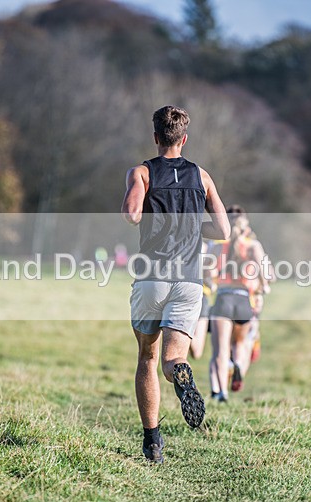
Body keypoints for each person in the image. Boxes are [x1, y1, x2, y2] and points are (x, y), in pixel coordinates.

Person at [121, 105, 230, 464]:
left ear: (155, 137)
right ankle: (180, 374)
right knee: (172, 358)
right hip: (188, 281)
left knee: (147, 357)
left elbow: (132, 215)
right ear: (183, 139)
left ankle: (152, 442)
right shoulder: (202, 176)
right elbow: (224, 231)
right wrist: (194, 227)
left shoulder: (142, 171)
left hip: (151, 278)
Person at [208, 206, 270, 402]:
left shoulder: (218, 247)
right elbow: (268, 274)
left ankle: (221, 393)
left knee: (220, 349)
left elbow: (208, 273)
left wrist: (214, 281)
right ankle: (238, 366)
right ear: (245, 227)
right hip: (244, 299)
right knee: (241, 344)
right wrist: (263, 286)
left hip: (223, 298)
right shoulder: (252, 246)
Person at [189, 240, 215, 360]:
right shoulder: (207, 247)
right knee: (197, 351)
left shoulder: (181, 242)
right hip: (201, 295)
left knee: (195, 352)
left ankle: (175, 326)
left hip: (184, 292)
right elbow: (208, 273)